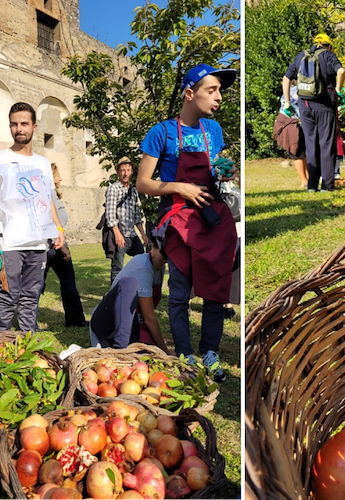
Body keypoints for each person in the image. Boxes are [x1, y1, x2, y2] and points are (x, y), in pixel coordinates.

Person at [137, 63, 238, 382]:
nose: (219, 97)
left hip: (211, 219)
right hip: (179, 221)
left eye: (220, 91)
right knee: (179, 293)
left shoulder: (214, 131)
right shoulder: (162, 132)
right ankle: (185, 355)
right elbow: (143, 183)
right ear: (189, 93)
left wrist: (224, 172)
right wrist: (179, 187)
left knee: (215, 292)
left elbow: (214, 175)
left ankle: (210, 351)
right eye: (212, 90)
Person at [0, 102, 65, 332]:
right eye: (14, 124)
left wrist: (58, 228)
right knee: (7, 299)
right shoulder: (2, 159)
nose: (19, 129)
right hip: (9, 243)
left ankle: (28, 349)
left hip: (38, 243)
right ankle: (3, 352)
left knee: (30, 299)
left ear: (34, 127)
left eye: (24, 124)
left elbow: (47, 198)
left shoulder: (42, 163)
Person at [283, 33, 345, 192]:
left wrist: (288, 103)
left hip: (305, 106)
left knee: (311, 145)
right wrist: (338, 90)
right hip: (325, 105)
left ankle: (312, 186)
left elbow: (286, 78)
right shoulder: (329, 56)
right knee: (326, 144)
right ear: (328, 45)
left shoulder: (301, 56)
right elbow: (341, 71)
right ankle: (327, 185)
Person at [89, 239, 170, 353]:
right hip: (108, 323)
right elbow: (149, 318)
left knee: (147, 356)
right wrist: (164, 350)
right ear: (153, 247)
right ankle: (120, 349)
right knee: (130, 283)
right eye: (163, 257)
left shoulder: (159, 268)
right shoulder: (143, 267)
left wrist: (156, 342)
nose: (163, 262)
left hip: (132, 323)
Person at [39, 163, 87, 327]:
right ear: (52, 177)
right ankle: (28, 323)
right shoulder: (47, 194)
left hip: (55, 244)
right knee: (37, 285)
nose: (61, 178)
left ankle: (75, 320)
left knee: (64, 282)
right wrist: (63, 246)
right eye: (58, 174)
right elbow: (49, 221)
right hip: (50, 246)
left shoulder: (51, 194)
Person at [105, 156, 148, 284]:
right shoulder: (113, 189)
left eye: (128, 170)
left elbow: (136, 215)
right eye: (123, 170)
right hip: (120, 234)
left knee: (142, 260)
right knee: (117, 267)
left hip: (132, 234)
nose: (125, 173)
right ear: (118, 172)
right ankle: (114, 295)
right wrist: (117, 234)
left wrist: (143, 233)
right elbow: (110, 214)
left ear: (131, 171)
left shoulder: (133, 190)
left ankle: (138, 288)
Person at [273, 84, 308, 188]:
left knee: (302, 154)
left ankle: (308, 179)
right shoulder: (296, 90)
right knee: (297, 153)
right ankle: (304, 181)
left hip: (290, 123)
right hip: (291, 124)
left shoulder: (288, 90)